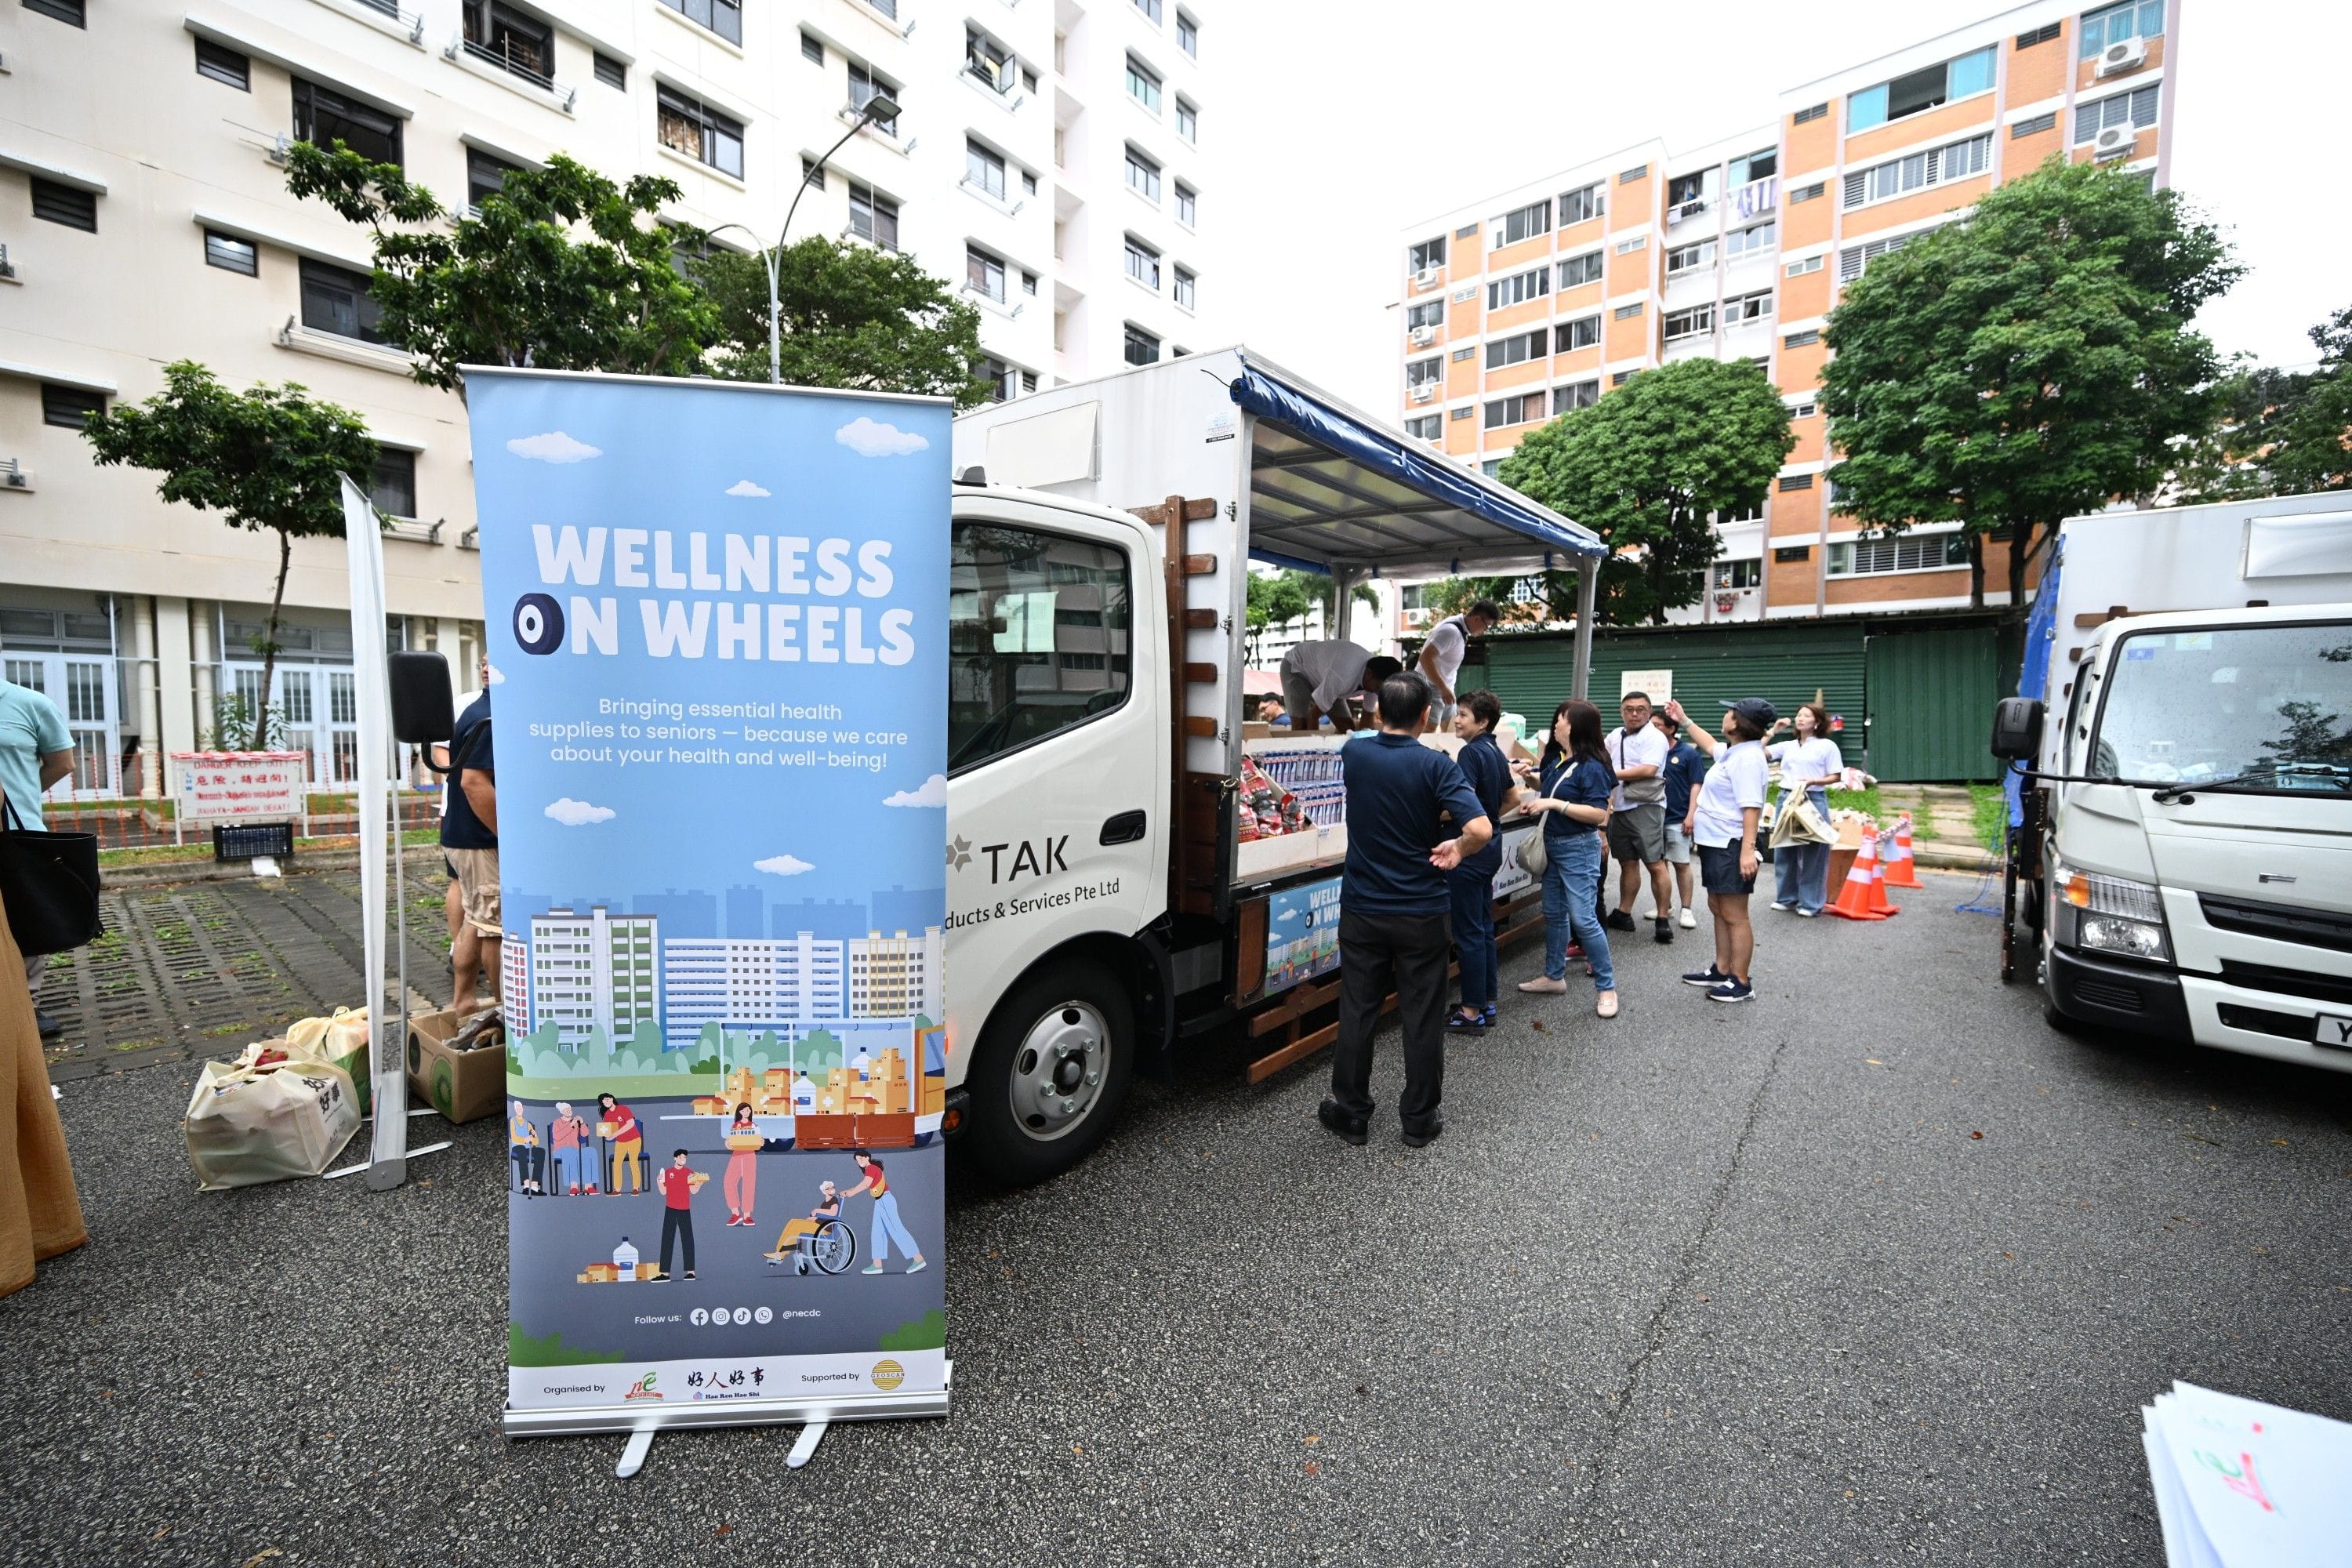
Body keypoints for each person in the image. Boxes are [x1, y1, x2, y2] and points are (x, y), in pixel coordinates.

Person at [1320, 672, 1494, 1149]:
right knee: (1422, 1015)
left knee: (1358, 1010)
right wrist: (1458, 846)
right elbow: (1479, 829)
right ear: (1425, 716)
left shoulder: (1355, 753)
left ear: (1378, 714)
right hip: (1421, 911)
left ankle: (1352, 1113)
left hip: (1363, 908)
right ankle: (1418, 1119)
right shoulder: (1437, 767)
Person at [1516, 699, 1619, 1017]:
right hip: (1555, 846)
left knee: (1584, 919)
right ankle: (1553, 976)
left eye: (1560, 720)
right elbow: (1549, 786)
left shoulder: (1594, 766)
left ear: (1574, 726)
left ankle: (1607, 988)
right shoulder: (1564, 761)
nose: (1555, 725)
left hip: (1578, 848)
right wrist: (1528, 777)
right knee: (1555, 913)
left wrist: (1552, 805)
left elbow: (1598, 812)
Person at [1667, 697, 1773, 1003]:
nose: (1725, 715)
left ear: (1739, 723)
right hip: (1717, 843)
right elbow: (1710, 743)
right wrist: (1684, 720)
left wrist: (1747, 851)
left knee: (1735, 913)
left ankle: (1741, 980)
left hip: (1732, 844)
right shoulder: (1734, 752)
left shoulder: (1748, 759)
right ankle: (1721, 968)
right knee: (1717, 906)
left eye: (1730, 713)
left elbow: (1751, 806)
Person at [0, 673, 74, 1039]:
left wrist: (21, 795)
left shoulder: (30, 704)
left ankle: (26, 1006)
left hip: (19, 833)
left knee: (24, 920)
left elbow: (62, 763)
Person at [1444, 691, 1512, 1033]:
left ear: (1482, 722)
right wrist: (1488, 821)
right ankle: (1485, 1001)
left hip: (1469, 852)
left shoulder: (1471, 752)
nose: (1457, 719)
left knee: (1469, 931)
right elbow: (1512, 796)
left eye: (1464, 715)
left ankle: (1470, 1012)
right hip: (1491, 848)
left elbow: (1460, 802)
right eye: (1458, 713)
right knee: (1483, 928)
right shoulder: (1496, 751)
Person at [441, 671, 499, 1015]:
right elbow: (473, 783)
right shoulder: (489, 718)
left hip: (464, 835)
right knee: (495, 929)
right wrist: (507, 837)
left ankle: (463, 1002)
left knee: (475, 922)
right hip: (479, 840)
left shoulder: (479, 710)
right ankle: (505, 1012)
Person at [1603, 692, 1675, 946]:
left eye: (1641, 710)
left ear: (1649, 712)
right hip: (1619, 807)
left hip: (1646, 805)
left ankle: (1663, 919)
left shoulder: (1655, 737)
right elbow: (1601, 757)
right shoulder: (1614, 736)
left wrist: (1612, 775)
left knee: (1656, 864)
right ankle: (1624, 913)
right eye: (1629, 709)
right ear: (1621, 711)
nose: (1635, 714)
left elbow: (1648, 769)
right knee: (1628, 863)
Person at [1766, 702, 1844, 918]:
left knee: (1814, 850)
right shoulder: (1789, 745)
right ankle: (1786, 897)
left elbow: (1836, 775)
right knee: (1784, 848)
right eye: (1798, 715)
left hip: (1813, 797)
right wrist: (1774, 730)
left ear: (1817, 722)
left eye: (1806, 716)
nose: (1800, 718)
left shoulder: (1827, 746)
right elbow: (1759, 752)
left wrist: (1813, 781)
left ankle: (1810, 903)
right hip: (1787, 797)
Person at [1657, 710, 1711, 931]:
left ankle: (1686, 909)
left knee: (1681, 864)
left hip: (1678, 818)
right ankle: (1664, 906)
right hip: (1654, 818)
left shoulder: (1688, 753)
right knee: (1659, 865)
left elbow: (1696, 785)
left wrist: (1691, 815)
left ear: (1671, 728)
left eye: (1658, 725)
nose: (1652, 729)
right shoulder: (1650, 751)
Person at [844, 1149, 927, 1275]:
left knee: (896, 1229)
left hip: (885, 1200)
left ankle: (918, 1259)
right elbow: (865, 1184)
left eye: (861, 1158)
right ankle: (877, 1264)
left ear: (867, 1157)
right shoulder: (869, 1169)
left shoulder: (871, 1168)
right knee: (877, 1232)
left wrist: (852, 1192)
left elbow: (866, 1184)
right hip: (880, 1201)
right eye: (857, 1160)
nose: (859, 1161)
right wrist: (848, 1191)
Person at [1416, 601, 1497, 728]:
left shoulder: (1459, 626)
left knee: (1450, 728)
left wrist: (1445, 688)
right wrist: (1442, 688)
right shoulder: (1451, 631)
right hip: (1431, 687)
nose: (1485, 631)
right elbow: (1425, 658)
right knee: (1429, 731)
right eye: (1486, 626)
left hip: (1445, 688)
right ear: (1477, 619)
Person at [1277, 640, 1388, 733]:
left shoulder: (1375, 682)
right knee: (1301, 726)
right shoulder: (1342, 676)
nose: (1377, 692)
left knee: (1347, 729)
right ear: (1369, 674)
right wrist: (1316, 752)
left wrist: (1366, 750)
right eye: (1377, 688)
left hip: (1326, 678)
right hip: (1297, 667)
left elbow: (1368, 716)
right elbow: (1313, 716)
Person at [767, 1180, 844, 1265]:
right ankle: (779, 1251)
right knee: (793, 1221)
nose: (831, 1189)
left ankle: (781, 1253)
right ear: (824, 1191)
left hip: (824, 1228)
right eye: (828, 1188)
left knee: (796, 1226)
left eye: (832, 1187)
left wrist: (817, 1210)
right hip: (818, 1225)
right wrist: (815, 1217)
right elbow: (824, 1215)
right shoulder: (825, 1203)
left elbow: (833, 1213)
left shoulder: (834, 1199)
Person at [655, 1149, 699, 1281]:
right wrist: (658, 1180)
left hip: (685, 1210)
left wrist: (698, 1185)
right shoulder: (668, 1173)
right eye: (681, 1157)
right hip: (670, 1209)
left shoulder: (690, 1173)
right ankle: (665, 1273)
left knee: (688, 1240)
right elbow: (663, 1192)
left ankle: (691, 1272)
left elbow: (693, 1191)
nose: (683, 1159)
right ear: (675, 1158)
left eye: (685, 1157)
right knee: (667, 1240)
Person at [722, 1102, 760, 1226]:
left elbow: (759, 1141)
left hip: (750, 1155)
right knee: (728, 1181)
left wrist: (761, 1142)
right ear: (740, 1112)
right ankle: (735, 1213)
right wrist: (727, 1143)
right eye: (744, 1110)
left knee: (748, 1184)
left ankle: (747, 1216)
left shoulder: (754, 1126)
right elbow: (730, 1140)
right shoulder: (735, 1126)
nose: (747, 1112)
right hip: (737, 1155)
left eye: (748, 1110)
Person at [597, 1091, 643, 1195]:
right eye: (604, 1102)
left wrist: (615, 1134)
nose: (606, 1102)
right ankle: (617, 1189)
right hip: (621, 1142)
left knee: (633, 1162)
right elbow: (609, 1131)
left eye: (607, 1099)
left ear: (612, 1099)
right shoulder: (607, 1115)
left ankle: (636, 1187)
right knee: (617, 1164)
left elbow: (631, 1123)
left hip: (634, 1139)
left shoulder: (623, 1109)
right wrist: (608, 1136)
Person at [549, 1101, 593, 1195]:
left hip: (576, 1150)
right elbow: (557, 1137)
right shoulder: (557, 1122)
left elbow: (585, 1134)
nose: (568, 1111)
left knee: (590, 1152)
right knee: (570, 1152)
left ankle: (588, 1187)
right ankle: (574, 1187)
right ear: (562, 1112)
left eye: (569, 1109)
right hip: (560, 1150)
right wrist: (571, 1125)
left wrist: (582, 1123)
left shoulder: (575, 1122)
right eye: (566, 1110)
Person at [506, 1099, 545, 1196]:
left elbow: (536, 1142)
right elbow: (514, 1137)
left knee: (541, 1151)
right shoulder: (512, 1121)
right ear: (515, 1109)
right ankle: (526, 1186)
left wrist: (535, 1136)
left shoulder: (528, 1124)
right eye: (517, 1108)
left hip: (526, 1149)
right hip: (517, 1148)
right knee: (522, 1150)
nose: (519, 1109)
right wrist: (525, 1140)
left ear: (523, 1109)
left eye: (520, 1107)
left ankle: (534, 1186)